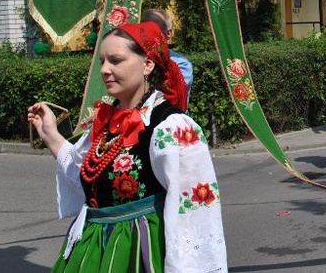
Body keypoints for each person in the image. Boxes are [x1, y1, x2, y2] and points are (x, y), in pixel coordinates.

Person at [27, 22, 228, 272]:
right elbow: (85, 176)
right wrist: (50, 134)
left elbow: (194, 213)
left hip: (138, 250)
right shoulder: (105, 121)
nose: (105, 70)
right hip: (92, 248)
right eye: (102, 61)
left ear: (147, 64)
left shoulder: (171, 127)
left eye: (116, 60)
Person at [141, 8, 194, 99]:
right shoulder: (133, 57)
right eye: (143, 30)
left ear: (168, 33)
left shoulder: (181, 65)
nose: (149, 34)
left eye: (155, 30)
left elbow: (170, 98)